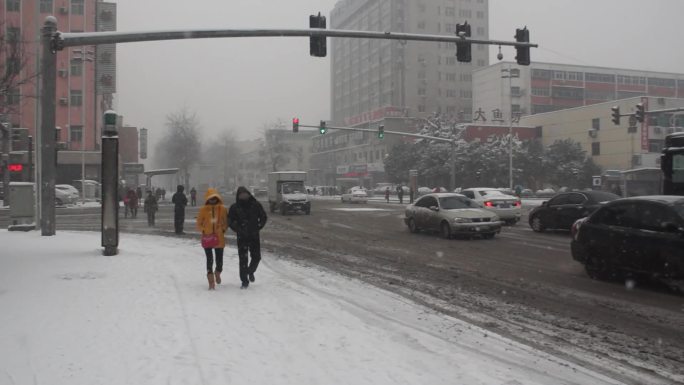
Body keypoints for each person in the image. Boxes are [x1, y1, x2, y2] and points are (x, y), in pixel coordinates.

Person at [229, 186, 268, 289]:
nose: (243, 196)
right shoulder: (234, 207)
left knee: (256, 257)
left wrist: (259, 226)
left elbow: (263, 217)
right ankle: (244, 281)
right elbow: (230, 221)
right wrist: (238, 229)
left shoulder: (255, 205)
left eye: (245, 194)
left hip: (254, 235)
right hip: (242, 237)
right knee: (243, 260)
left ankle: (250, 271)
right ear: (238, 196)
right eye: (241, 194)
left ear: (249, 194)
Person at [197, 188, 228, 290]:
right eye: (211, 198)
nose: (213, 200)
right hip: (207, 238)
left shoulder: (222, 209)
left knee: (220, 261)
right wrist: (204, 231)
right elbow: (199, 223)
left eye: (214, 198)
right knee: (209, 259)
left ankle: (218, 272)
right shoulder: (203, 210)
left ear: (217, 198)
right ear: (207, 199)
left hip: (219, 238)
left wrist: (223, 230)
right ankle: (211, 280)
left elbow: (226, 222)